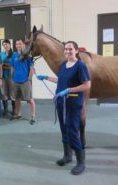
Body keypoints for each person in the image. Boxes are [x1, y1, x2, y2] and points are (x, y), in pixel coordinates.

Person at [37, 41, 91, 175]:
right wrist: (46, 77)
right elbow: (60, 80)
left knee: (73, 130)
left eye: (70, 49)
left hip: (73, 103)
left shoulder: (80, 66)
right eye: (66, 49)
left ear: (76, 51)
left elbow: (86, 85)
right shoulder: (63, 65)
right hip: (61, 102)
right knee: (64, 129)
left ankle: (81, 162)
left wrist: (68, 90)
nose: (67, 51)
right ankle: (67, 156)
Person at [10, 39, 36, 124]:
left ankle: (32, 116)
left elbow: (32, 69)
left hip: (25, 81)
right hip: (15, 81)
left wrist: (29, 79)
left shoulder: (28, 56)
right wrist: (12, 77)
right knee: (17, 98)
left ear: (23, 45)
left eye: (20, 44)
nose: (18, 45)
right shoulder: (14, 55)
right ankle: (19, 114)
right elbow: (12, 67)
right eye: (17, 44)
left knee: (29, 99)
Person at [0, 39, 15, 117]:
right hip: (3, 77)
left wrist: (5, 65)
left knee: (13, 94)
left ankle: (14, 110)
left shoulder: (15, 54)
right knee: (3, 93)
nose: (5, 46)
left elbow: (16, 65)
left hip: (12, 77)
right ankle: (5, 109)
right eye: (4, 44)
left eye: (7, 44)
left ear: (10, 45)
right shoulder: (1, 54)